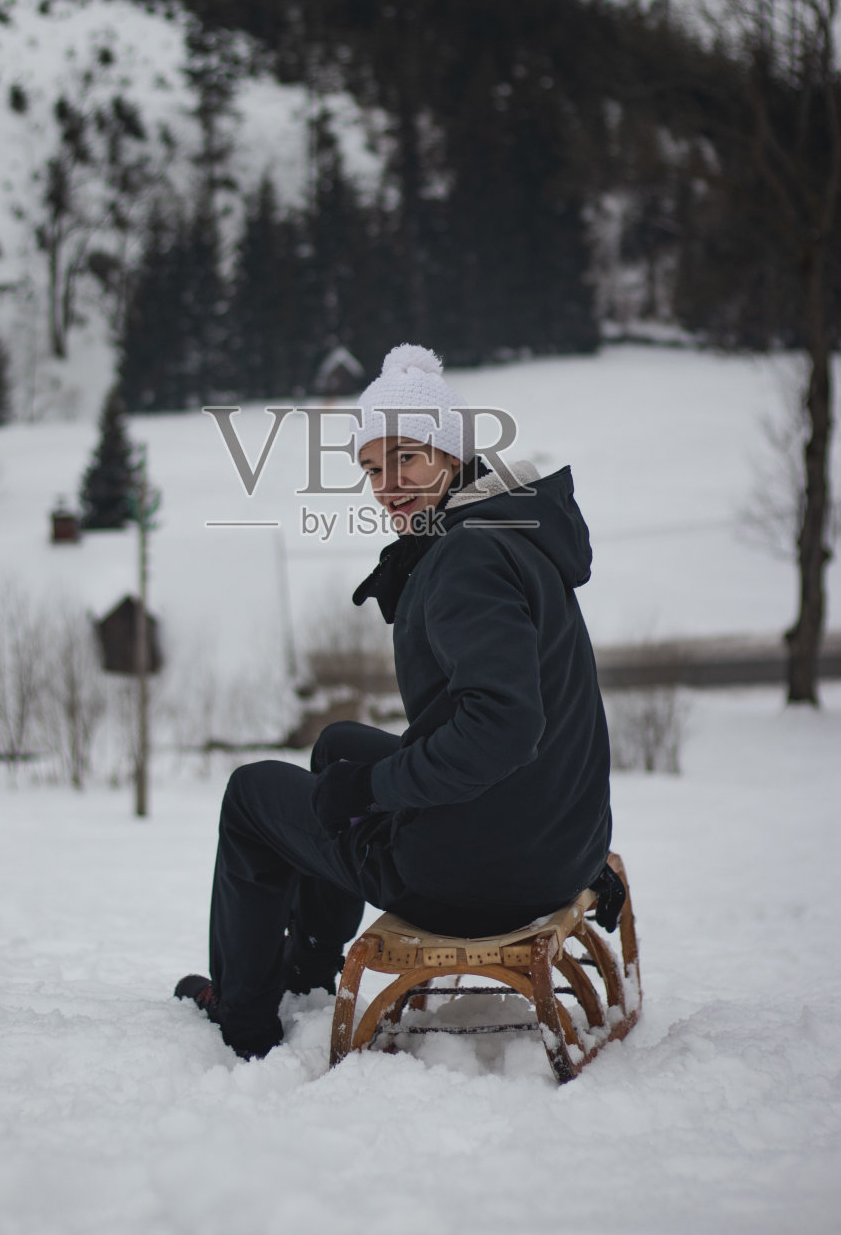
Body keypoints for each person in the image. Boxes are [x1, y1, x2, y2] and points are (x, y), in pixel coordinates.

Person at [175, 344, 613, 1059]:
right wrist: (364, 776)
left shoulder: (468, 555)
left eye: (407, 459)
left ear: (449, 456)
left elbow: (501, 726)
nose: (387, 485)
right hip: (554, 845)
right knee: (339, 745)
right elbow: (533, 717)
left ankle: (245, 1018)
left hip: (475, 877)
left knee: (251, 794)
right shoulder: (513, 533)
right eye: (372, 468)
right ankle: (307, 973)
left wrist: (376, 788)